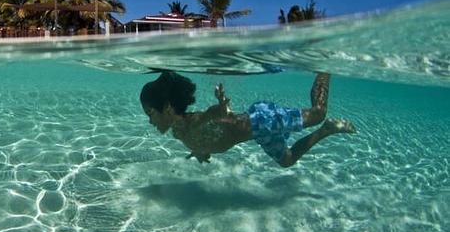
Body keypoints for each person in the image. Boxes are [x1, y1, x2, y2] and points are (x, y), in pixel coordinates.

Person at [140, 71, 355, 167]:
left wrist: (222, 107)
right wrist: (199, 152)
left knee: (317, 112)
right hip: (259, 132)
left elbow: (211, 115)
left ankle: (325, 67)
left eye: (150, 113)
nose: (150, 121)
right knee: (287, 160)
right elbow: (199, 139)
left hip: (262, 121)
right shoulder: (178, 131)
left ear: (167, 108)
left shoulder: (192, 122)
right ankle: (326, 130)